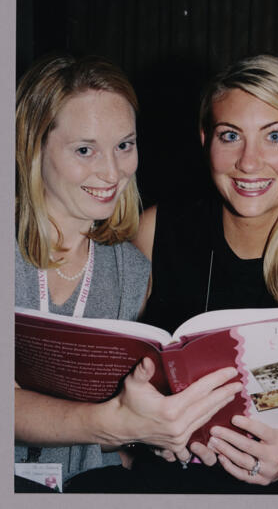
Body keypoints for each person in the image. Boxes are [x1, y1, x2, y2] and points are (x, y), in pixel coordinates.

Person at [132, 55, 278, 494]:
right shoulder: (156, 231)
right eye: (230, 136)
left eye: (274, 137)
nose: (249, 162)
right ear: (206, 141)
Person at [14, 53, 242, 492]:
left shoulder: (132, 270)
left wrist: (172, 430)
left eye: (125, 145)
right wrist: (113, 425)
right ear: (32, 146)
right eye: (85, 149)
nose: (113, 171)